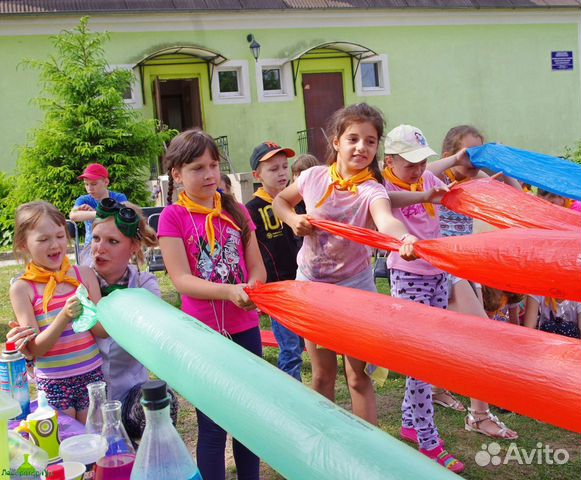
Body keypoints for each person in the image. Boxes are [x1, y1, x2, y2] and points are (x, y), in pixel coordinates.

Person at [273, 103, 421, 428]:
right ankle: (321, 443)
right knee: (323, 375)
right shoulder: (312, 177)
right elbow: (280, 200)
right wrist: (293, 219)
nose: (361, 147)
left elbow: (385, 220)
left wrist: (404, 239)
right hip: (313, 288)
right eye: (353, 138)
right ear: (336, 141)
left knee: (357, 377)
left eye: (370, 141)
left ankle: (368, 450)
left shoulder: (372, 190)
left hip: (356, 289)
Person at [9, 200, 179, 438]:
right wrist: (24, 347)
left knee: (157, 406)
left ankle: (137, 456)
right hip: (62, 383)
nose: (99, 248)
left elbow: (118, 330)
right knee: (72, 444)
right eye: (96, 238)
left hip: (117, 391)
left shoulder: (140, 285)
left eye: (113, 241)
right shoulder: (73, 280)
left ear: (133, 247)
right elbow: (36, 345)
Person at [157, 128, 266, 480]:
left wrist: (253, 288)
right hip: (203, 332)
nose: (208, 175)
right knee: (213, 425)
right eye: (197, 168)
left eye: (214, 166)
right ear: (176, 174)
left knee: (248, 422)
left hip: (245, 328)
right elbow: (181, 279)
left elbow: (257, 268)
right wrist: (229, 292)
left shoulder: (235, 210)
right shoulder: (172, 217)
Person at [427, 125, 518, 440]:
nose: (474, 160)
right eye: (469, 153)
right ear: (452, 152)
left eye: (478, 151)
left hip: (464, 267)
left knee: (454, 337)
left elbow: (517, 200)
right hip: (439, 267)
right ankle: (478, 416)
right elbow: (421, 172)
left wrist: (503, 167)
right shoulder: (436, 180)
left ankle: (438, 389)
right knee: (481, 336)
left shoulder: (478, 181)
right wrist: (456, 159)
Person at [383, 124, 464, 473]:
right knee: (422, 359)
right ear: (389, 161)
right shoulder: (382, 188)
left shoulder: (424, 179)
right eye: (409, 163)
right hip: (408, 276)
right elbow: (391, 200)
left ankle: (408, 421)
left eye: (421, 162)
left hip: (437, 274)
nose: (417, 170)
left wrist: (457, 161)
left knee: (431, 351)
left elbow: (431, 174)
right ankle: (427, 438)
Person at [9, 201, 106, 423]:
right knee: (66, 443)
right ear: (24, 245)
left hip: (91, 374)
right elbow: (35, 349)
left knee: (95, 440)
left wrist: (88, 312)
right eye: (43, 239)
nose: (55, 245)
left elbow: (103, 332)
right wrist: (64, 317)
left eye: (60, 236)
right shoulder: (23, 288)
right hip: (53, 381)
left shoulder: (84, 276)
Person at [246, 142, 304, 381]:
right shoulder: (251, 209)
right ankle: (291, 402)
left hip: (304, 283)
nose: (281, 173)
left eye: (284, 167)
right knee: (290, 351)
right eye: (273, 169)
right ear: (256, 175)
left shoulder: (298, 201)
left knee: (304, 345)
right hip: (277, 290)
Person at [69, 163, 128, 265]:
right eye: (86, 184)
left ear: (106, 182)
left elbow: (123, 216)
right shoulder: (84, 199)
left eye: (94, 184)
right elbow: (73, 216)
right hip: (91, 247)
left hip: (115, 244)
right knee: (93, 266)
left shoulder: (119, 198)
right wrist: (98, 214)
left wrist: (94, 214)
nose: (89, 188)